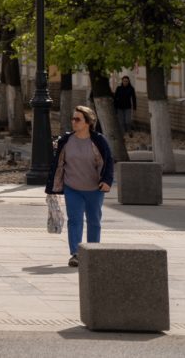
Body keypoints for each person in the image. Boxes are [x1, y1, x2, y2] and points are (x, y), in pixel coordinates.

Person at [45, 105, 114, 268]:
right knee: (75, 220)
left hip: (94, 189)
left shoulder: (98, 141)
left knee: (94, 220)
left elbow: (108, 162)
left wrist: (106, 181)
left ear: (88, 122)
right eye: (73, 118)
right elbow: (58, 163)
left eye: (78, 119)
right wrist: (53, 186)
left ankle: (93, 252)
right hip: (72, 187)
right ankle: (76, 254)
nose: (74, 122)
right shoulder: (66, 141)